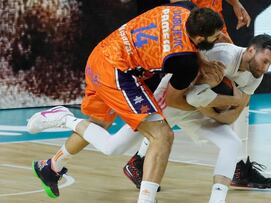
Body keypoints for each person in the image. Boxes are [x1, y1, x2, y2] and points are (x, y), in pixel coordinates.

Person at [28, 34, 271, 203]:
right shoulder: (220, 57)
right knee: (113, 148)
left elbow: (235, 111)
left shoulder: (256, 74)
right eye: (264, 61)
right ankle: (65, 119)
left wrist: (214, 106)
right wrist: (213, 104)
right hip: (166, 101)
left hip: (199, 110)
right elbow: (181, 98)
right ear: (251, 50)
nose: (265, 68)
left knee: (232, 143)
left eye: (270, 64)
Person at [27, 3, 228, 203]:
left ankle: (52, 166)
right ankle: (64, 119)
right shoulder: (185, 62)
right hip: (118, 72)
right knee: (162, 135)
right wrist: (203, 106)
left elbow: (182, 40)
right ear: (200, 37)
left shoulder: (182, 10)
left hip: (101, 55)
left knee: (97, 126)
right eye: (215, 36)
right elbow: (172, 100)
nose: (219, 38)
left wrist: (203, 61)